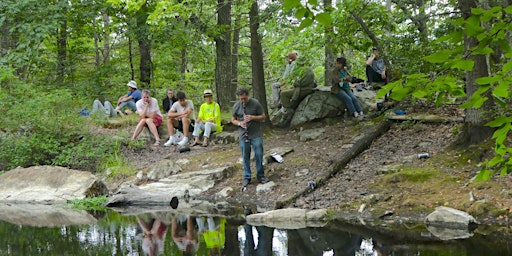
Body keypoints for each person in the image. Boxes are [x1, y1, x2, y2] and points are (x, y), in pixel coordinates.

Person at [232, 87, 269, 190]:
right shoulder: (237, 106)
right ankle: (247, 177)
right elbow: (233, 119)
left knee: (259, 154)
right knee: (245, 156)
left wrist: (253, 117)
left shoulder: (255, 103)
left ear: (247, 96)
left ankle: (260, 175)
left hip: (256, 134)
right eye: (241, 99)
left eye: (245, 98)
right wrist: (240, 123)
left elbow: (263, 116)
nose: (243, 100)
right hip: (244, 135)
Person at [276, 58, 317, 127]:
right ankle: (285, 116)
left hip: (304, 90)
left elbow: (301, 82)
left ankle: (288, 109)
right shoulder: (303, 70)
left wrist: (294, 85)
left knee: (283, 94)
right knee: (287, 95)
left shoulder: (307, 71)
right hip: (302, 89)